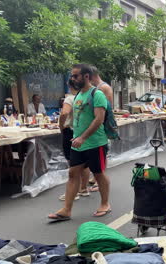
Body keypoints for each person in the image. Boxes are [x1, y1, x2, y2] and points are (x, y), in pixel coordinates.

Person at [48, 64, 111, 221]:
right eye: (72, 76)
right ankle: (66, 210)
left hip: (95, 142)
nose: (72, 79)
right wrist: (75, 135)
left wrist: (83, 137)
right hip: (78, 143)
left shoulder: (97, 94)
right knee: (72, 173)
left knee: (98, 173)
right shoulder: (78, 96)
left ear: (86, 76)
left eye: (76, 76)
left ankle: (105, 204)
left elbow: (99, 119)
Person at [57, 80, 91, 202]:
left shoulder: (70, 98)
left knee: (73, 163)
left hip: (70, 131)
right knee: (84, 163)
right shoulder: (86, 97)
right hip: (83, 132)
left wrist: (61, 126)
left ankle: (73, 192)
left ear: (69, 86)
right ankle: (83, 189)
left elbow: (64, 113)